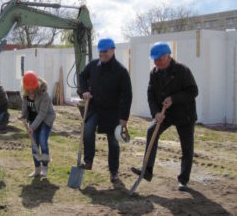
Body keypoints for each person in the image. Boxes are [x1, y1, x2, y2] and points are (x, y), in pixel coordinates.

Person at [131, 42, 198, 191]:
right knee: (151, 132)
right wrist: (155, 113)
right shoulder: (154, 73)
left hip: (184, 114)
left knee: (187, 148)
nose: (156, 62)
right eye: (154, 59)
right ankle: (147, 171)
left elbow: (193, 91)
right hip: (164, 114)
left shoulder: (182, 70)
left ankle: (183, 180)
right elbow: (150, 94)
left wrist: (174, 98)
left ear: (168, 56)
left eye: (159, 59)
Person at [78, 38, 132, 182]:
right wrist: (84, 91)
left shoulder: (121, 71)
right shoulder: (93, 65)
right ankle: (88, 161)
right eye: (100, 51)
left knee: (113, 141)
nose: (102, 54)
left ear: (113, 50)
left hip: (113, 111)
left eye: (105, 51)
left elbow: (127, 96)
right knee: (88, 130)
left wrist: (124, 118)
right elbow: (82, 76)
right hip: (95, 107)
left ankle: (114, 171)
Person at [20, 70, 56, 178]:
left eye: (33, 87)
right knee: (34, 144)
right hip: (33, 121)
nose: (31, 89)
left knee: (42, 141)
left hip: (46, 119)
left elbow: (42, 114)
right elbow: (25, 109)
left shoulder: (44, 95)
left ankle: (44, 168)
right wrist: (23, 116)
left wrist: (32, 127)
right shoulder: (25, 95)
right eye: (28, 87)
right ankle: (37, 169)